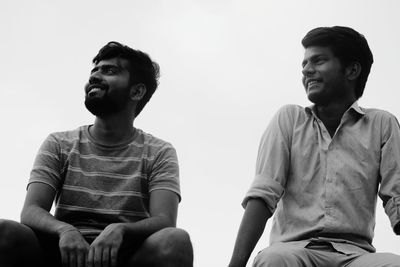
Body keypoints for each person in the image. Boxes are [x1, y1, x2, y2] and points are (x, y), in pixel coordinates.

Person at [0, 41, 193, 267]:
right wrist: (65, 231)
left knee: (176, 241)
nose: (95, 77)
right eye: (94, 71)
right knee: (5, 232)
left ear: (137, 91)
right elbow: (31, 210)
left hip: (125, 255)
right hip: (63, 252)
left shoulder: (159, 151)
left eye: (110, 70)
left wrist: (120, 230)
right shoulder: (60, 143)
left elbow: (165, 221)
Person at [228, 26, 400, 267]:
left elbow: (397, 197)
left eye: (318, 61)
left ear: (352, 70)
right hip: (293, 250)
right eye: (304, 64)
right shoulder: (288, 119)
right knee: (273, 259)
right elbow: (263, 193)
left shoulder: (382, 124)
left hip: (356, 255)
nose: (307, 70)